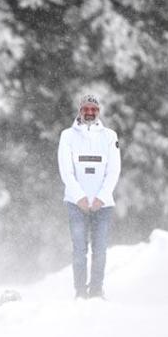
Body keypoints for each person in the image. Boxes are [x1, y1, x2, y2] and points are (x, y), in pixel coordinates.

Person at [57, 94, 121, 299]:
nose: (90, 113)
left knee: (100, 251)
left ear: (99, 112)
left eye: (94, 109)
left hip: (103, 205)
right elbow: (66, 171)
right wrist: (80, 198)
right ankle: (80, 292)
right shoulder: (67, 136)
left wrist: (101, 197)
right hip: (76, 205)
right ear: (80, 110)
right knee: (79, 251)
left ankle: (96, 290)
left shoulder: (110, 136)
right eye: (86, 109)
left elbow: (113, 171)